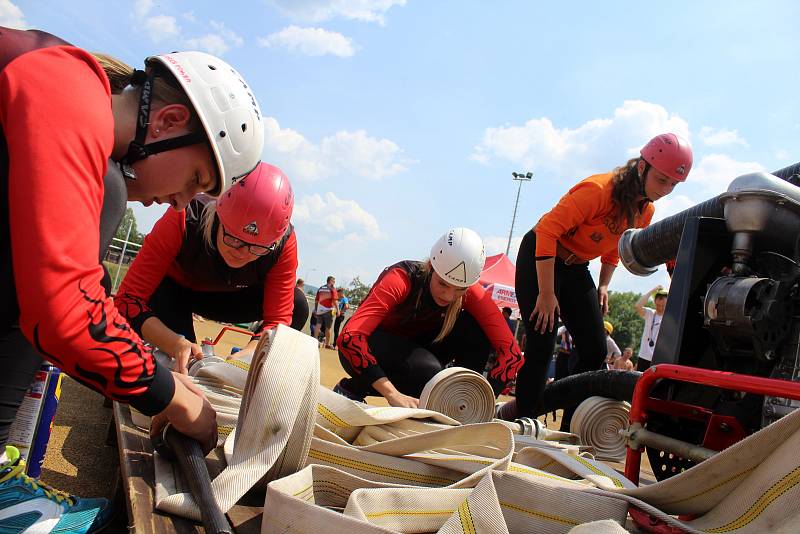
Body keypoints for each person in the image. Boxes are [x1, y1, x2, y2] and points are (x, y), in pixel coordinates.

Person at [0, 27, 263, 531]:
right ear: (167, 121)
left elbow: (85, 294)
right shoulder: (68, 87)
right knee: (107, 192)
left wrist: (155, 373)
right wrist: (174, 397)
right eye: (195, 181)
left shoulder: (69, 86)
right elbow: (65, 313)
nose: (185, 203)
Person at [514, 133, 692, 419]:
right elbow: (547, 231)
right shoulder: (598, 190)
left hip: (576, 267)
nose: (666, 189)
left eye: (674, 183)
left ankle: (572, 424)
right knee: (542, 343)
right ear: (642, 167)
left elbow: (615, 248)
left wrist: (604, 285)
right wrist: (546, 294)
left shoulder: (645, 211)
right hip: (542, 256)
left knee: (594, 350)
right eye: (662, 179)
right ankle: (523, 419)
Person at [115, 163, 299, 373]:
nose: (242, 252)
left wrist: (249, 355)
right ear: (218, 215)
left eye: (257, 248)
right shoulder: (184, 216)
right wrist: (173, 342)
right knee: (187, 364)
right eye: (233, 239)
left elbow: (278, 322)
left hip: (231, 298)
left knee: (299, 306)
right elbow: (128, 299)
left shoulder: (284, 244)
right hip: (175, 293)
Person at [335, 228, 524, 408]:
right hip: (369, 349)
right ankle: (353, 388)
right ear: (431, 267)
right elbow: (349, 338)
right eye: (443, 283)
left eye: (460, 289)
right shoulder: (402, 278)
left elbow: (512, 355)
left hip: (418, 353)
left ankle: (458, 404)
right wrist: (393, 395)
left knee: (475, 328)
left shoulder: (472, 292)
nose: (449, 296)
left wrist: (478, 404)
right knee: (430, 373)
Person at [635, 285, 668, 371]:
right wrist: (652, 291)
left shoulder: (669, 318)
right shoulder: (650, 313)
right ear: (655, 300)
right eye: (659, 297)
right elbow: (638, 306)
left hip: (659, 359)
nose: (662, 300)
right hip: (644, 356)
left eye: (665, 297)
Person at [313, 276, 339, 349]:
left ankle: (315, 341)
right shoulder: (332, 289)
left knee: (318, 325)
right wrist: (338, 310)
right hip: (329, 310)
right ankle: (327, 344)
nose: (334, 283)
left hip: (320, 310)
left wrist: (316, 309)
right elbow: (335, 300)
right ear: (330, 281)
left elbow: (316, 300)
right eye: (333, 281)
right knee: (328, 328)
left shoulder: (320, 288)